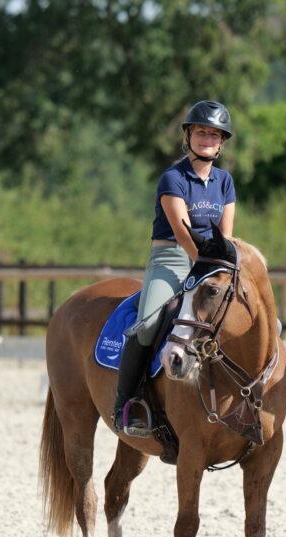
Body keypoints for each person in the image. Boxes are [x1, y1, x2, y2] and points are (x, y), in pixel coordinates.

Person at [113, 100, 237, 433]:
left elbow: (225, 237)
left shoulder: (225, 182)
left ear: (222, 142)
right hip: (172, 258)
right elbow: (182, 233)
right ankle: (128, 403)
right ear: (188, 136)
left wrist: (221, 268)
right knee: (150, 323)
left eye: (214, 134)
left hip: (211, 262)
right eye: (200, 132)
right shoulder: (174, 177)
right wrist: (205, 263)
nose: (207, 139)